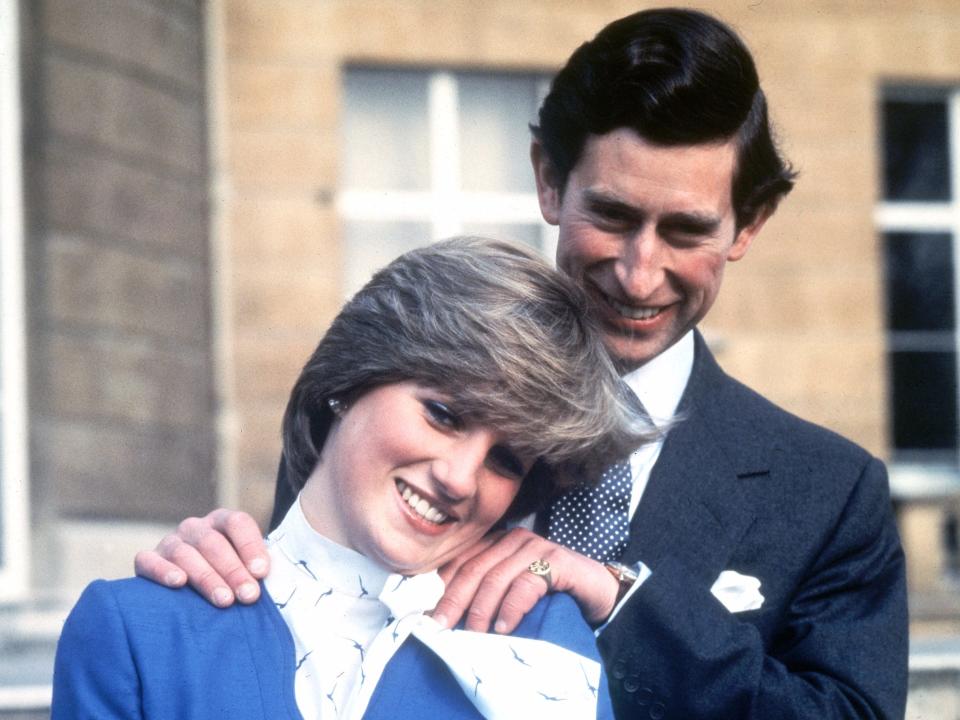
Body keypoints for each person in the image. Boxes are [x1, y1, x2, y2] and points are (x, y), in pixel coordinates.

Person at [134, 8, 909, 719]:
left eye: (685, 231)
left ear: (750, 223)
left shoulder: (829, 493)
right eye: (611, 215)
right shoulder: (394, 412)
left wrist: (620, 603)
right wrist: (221, 577)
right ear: (547, 178)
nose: (639, 274)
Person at [53, 237, 652, 719]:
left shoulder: (538, 637)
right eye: (443, 415)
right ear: (350, 380)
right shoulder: (139, 630)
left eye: (507, 462)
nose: (461, 478)